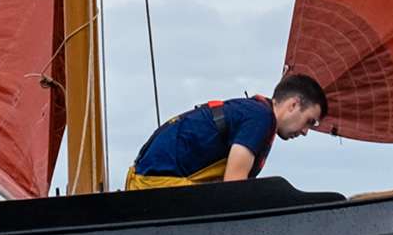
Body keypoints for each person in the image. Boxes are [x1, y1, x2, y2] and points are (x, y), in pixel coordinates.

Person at [125, 73, 327, 189]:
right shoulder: (260, 118)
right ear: (294, 104)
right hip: (154, 186)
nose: (305, 132)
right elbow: (233, 187)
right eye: (309, 121)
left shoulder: (252, 112)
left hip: (148, 182)